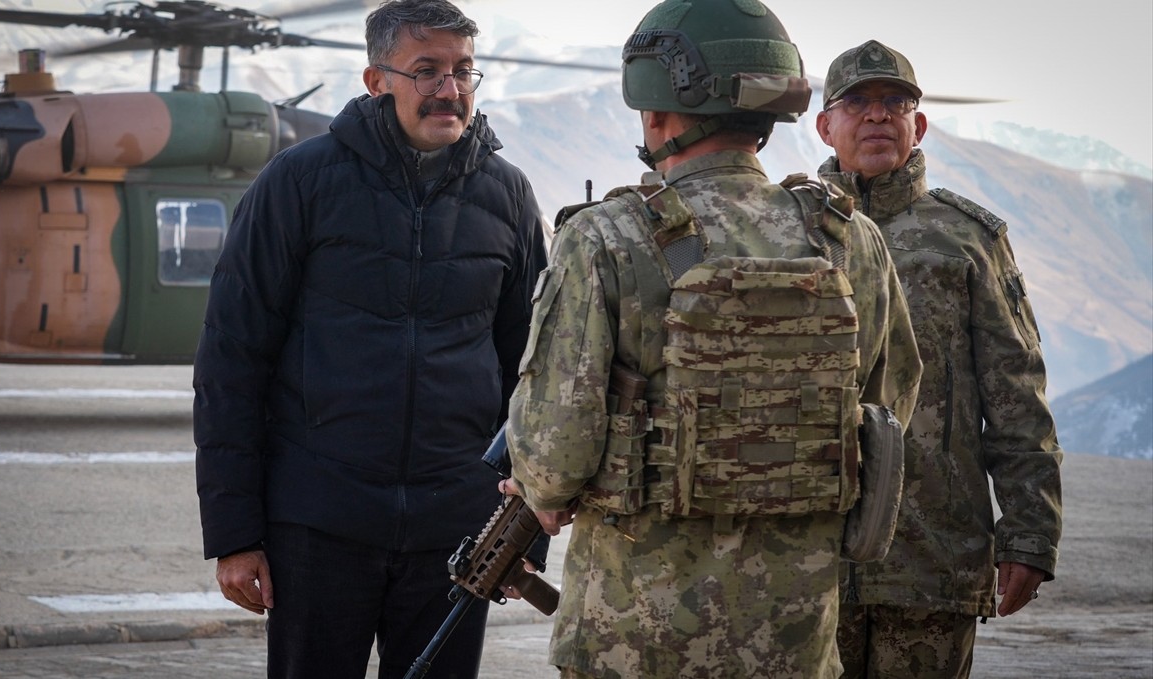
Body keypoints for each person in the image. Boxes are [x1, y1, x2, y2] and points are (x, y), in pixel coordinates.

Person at [501, 1, 922, 677]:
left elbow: (555, 455)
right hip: (792, 635)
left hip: (633, 636)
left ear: (658, 111)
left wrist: (541, 490)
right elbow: (886, 404)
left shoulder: (604, 237)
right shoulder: (850, 237)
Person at [192, 0, 547, 676]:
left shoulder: (507, 196)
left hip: (455, 532)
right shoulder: (298, 184)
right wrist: (235, 536)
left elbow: (531, 375)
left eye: (464, 71)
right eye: (428, 70)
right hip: (319, 527)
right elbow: (231, 362)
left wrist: (522, 535)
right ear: (376, 80)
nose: (450, 89)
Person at [814, 39, 1064, 678]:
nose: (878, 116)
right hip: (804, 556)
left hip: (932, 554)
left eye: (895, 103)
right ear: (825, 124)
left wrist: (1031, 533)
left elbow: (1017, 392)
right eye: (858, 103)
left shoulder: (967, 240)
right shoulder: (792, 233)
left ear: (917, 124)